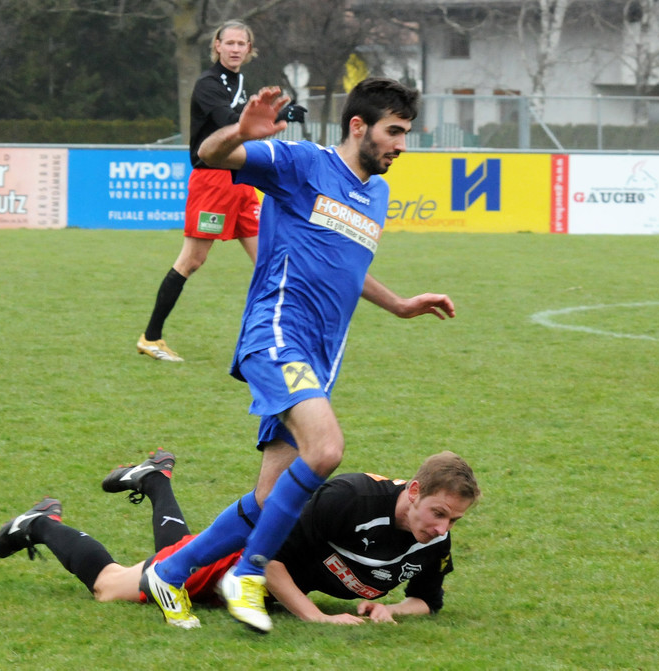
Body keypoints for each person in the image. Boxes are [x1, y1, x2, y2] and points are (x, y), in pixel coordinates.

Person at [142, 78, 456, 633]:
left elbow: (348, 264)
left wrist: (399, 304)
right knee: (326, 448)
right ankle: (247, 573)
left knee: (270, 500)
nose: (401, 145)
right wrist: (239, 132)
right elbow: (210, 154)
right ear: (358, 126)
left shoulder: (377, 195)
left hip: (320, 360)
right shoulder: (302, 163)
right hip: (277, 334)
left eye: (406, 133)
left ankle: (171, 572)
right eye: (394, 131)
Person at [0, 449, 480, 625]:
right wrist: (316, 617)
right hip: (237, 563)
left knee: (175, 554)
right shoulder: (348, 499)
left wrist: (390, 609)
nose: (442, 529)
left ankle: (155, 479)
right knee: (111, 586)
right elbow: (267, 556)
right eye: (438, 513)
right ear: (413, 491)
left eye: (454, 521)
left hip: (261, 594)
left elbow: (427, 600)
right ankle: (41, 522)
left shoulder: (433, 539)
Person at [136, 19, 306, 362]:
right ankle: (151, 338)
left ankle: (281, 339)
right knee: (192, 260)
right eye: (229, 43)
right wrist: (279, 114)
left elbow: (244, 122)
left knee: (269, 260)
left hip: (242, 180)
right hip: (212, 182)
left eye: (241, 43)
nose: (235, 49)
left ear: (249, 49)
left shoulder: (239, 82)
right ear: (217, 46)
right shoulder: (208, 84)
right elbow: (232, 123)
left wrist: (277, 114)